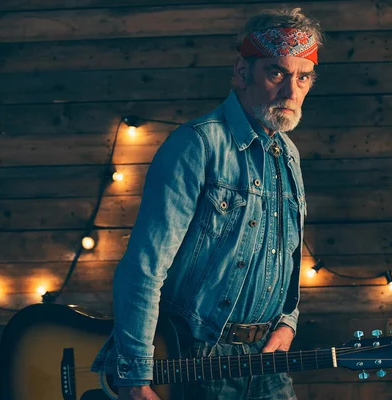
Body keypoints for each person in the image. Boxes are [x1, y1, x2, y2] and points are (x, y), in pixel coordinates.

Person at [91, 7, 323, 399]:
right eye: (276, 72)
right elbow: (144, 267)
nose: (290, 91)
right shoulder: (196, 145)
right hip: (194, 357)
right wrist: (135, 376)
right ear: (242, 71)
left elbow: (285, 256)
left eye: (302, 77)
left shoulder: (290, 155)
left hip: (267, 361)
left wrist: (288, 322)